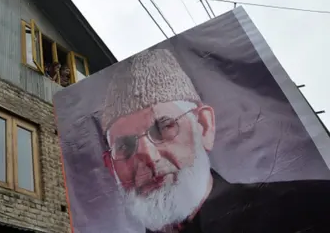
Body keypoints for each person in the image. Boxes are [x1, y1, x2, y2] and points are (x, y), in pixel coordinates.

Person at [98, 48, 330, 233]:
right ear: (110, 166)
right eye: (124, 146)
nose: (147, 155)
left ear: (204, 125)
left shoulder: (311, 208)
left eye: (164, 127)